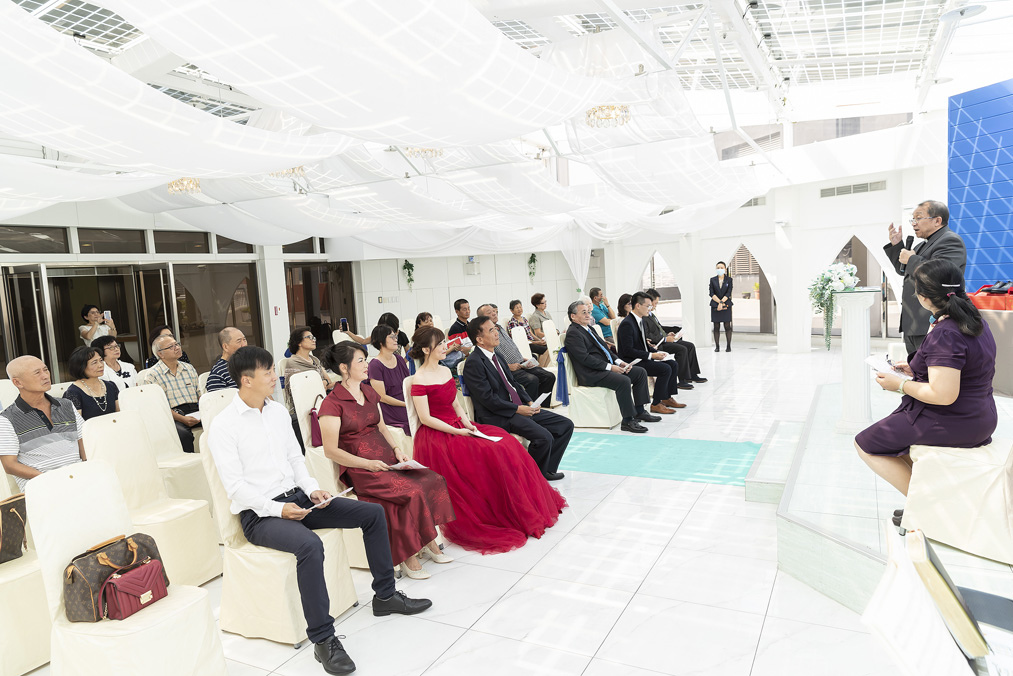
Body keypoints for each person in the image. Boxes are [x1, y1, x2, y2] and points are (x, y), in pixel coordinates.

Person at [209, 346, 432, 675]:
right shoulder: (224, 426)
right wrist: (279, 510)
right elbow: (236, 488)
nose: (274, 377)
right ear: (246, 380)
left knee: (371, 514)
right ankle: (324, 639)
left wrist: (312, 488)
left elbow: (295, 459)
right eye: (268, 372)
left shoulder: (276, 412)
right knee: (309, 545)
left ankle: (385, 596)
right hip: (260, 515)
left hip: (299, 498)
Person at [409, 325, 566, 553]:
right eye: (440, 344)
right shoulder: (419, 378)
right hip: (437, 435)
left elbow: (456, 405)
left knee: (506, 442)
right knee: (491, 451)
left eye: (443, 342)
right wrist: (458, 432)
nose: (445, 347)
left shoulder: (444, 371)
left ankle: (521, 502)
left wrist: (467, 423)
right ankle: (499, 508)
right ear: (426, 349)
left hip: (458, 425)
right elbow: (425, 418)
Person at [855, 259, 996, 504]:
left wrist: (899, 384)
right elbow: (964, 368)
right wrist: (916, 369)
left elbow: (943, 395)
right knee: (895, 445)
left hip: (954, 419)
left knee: (866, 444)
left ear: (923, 298)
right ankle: (930, 501)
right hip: (980, 415)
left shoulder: (946, 333)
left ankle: (929, 507)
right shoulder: (974, 320)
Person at [319, 343, 454, 580]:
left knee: (432, 479)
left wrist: (397, 450)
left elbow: (381, 427)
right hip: (360, 467)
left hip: (386, 458)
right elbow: (331, 451)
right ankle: (411, 553)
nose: (367, 364)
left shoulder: (368, 391)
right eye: (360, 361)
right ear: (344, 368)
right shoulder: (332, 403)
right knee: (410, 492)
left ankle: (427, 541)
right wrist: (367, 464)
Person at [462, 316, 573, 481]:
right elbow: (487, 399)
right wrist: (517, 409)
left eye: (495, 328)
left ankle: (545, 470)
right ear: (479, 339)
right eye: (491, 330)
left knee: (565, 425)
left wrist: (529, 401)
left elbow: (512, 383)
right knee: (544, 437)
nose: (497, 332)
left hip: (516, 408)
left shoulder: (497, 356)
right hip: (498, 414)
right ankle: (531, 477)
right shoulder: (474, 363)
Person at [884, 200, 968, 354]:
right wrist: (897, 245)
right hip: (914, 323)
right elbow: (904, 270)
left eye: (918, 218)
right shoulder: (922, 245)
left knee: (932, 367)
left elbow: (942, 275)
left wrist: (911, 259)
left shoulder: (950, 240)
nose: (914, 223)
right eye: (913, 219)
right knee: (915, 367)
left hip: (933, 322)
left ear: (937, 220)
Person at [563, 300, 659, 434]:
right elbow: (584, 358)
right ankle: (628, 420)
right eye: (584, 312)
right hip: (591, 374)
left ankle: (640, 411)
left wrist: (619, 362)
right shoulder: (573, 333)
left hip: (601, 369)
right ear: (573, 316)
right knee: (623, 381)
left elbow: (605, 350)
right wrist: (610, 367)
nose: (588, 315)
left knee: (640, 373)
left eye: (588, 312)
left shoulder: (589, 328)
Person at [1, 356, 86, 491]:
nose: (45, 376)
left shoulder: (66, 405)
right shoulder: (6, 419)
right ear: (18, 383)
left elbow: (84, 445)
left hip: (79, 479)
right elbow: (10, 465)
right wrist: (48, 478)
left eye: (45, 370)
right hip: (42, 487)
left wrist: (87, 471)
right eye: (37, 373)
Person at [616, 292, 684, 415]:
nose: (650, 308)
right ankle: (656, 404)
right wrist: (651, 355)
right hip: (632, 361)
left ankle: (666, 397)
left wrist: (656, 352)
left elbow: (642, 344)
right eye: (648, 306)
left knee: (672, 364)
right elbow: (628, 350)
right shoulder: (627, 324)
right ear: (638, 306)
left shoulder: (640, 320)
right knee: (665, 369)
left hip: (640, 357)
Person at [475, 304, 555, 403]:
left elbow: (511, 346)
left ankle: (541, 405)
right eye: (489, 312)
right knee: (532, 380)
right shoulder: (486, 337)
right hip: (509, 369)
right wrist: (508, 366)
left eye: (494, 311)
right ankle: (528, 408)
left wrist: (521, 358)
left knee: (549, 376)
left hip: (521, 363)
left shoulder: (499, 327)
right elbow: (491, 358)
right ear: (482, 318)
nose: (494, 313)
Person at [143, 334, 201, 453]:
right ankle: (191, 463)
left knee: (220, 423)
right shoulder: (152, 375)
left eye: (177, 344)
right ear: (160, 354)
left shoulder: (189, 368)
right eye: (171, 347)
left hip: (196, 411)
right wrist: (182, 419)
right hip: (173, 415)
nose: (177, 348)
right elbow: (159, 407)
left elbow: (200, 394)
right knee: (183, 435)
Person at [644, 288, 707, 387]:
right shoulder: (644, 316)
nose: (656, 306)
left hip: (664, 340)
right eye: (655, 303)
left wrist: (668, 334)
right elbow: (648, 335)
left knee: (690, 346)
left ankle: (692, 375)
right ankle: (682, 380)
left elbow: (659, 328)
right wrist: (665, 338)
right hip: (658, 344)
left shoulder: (651, 315)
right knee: (681, 349)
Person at [366, 324, 411, 435]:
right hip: (390, 408)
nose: (396, 339)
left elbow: (409, 384)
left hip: (406, 402)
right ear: (381, 341)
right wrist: (406, 404)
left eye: (395, 336)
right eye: (391, 337)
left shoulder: (399, 359)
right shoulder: (375, 365)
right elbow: (382, 397)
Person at [283, 327, 334, 413]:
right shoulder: (293, 363)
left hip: (320, 399)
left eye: (314, 338)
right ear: (299, 342)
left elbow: (328, 381)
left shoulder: (315, 360)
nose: (313, 340)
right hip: (305, 406)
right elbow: (297, 389)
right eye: (309, 337)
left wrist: (324, 382)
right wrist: (321, 384)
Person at [63, 346, 120, 420]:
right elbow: (76, 424)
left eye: (101, 360)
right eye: (94, 362)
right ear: (81, 366)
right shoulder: (73, 393)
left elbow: (120, 415)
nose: (100, 365)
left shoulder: (111, 386)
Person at [206, 327, 248, 392]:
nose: (244, 345)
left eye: (244, 340)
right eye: (239, 341)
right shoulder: (218, 374)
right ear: (225, 347)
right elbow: (217, 398)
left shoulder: (251, 364)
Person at [506, 299, 548, 364]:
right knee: (545, 349)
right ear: (512, 310)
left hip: (533, 342)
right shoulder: (512, 323)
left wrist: (540, 340)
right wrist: (537, 342)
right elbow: (521, 340)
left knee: (548, 346)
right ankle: (542, 366)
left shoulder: (524, 319)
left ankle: (543, 366)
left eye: (520, 307)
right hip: (526, 345)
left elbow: (531, 333)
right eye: (517, 308)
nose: (519, 309)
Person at [710, 262, 733, 352]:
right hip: (715, 304)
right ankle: (717, 346)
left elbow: (728, 292)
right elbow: (711, 293)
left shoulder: (729, 280)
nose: (719, 269)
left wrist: (722, 302)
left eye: (721, 267)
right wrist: (719, 302)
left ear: (725, 269)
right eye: (718, 268)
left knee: (727, 326)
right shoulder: (712, 280)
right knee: (716, 326)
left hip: (726, 304)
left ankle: (728, 346)